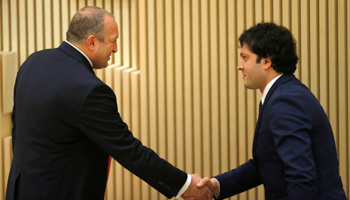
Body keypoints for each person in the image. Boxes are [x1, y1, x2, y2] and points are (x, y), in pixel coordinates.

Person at [5, 6, 212, 200]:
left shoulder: (33, 62)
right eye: (113, 41)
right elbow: (129, 151)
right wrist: (184, 185)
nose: (116, 49)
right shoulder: (89, 90)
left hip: (20, 189)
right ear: (92, 42)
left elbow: (19, 129)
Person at [188, 23, 348, 199]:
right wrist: (215, 185)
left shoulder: (284, 101)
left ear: (266, 61)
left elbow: (301, 178)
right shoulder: (282, 94)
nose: (239, 66)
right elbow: (266, 164)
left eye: (244, 57)